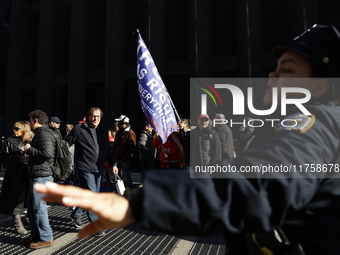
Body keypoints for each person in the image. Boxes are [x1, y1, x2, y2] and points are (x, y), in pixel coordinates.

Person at [34, 24, 340, 254]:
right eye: (274, 68)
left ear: (320, 87)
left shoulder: (316, 125)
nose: (272, 76)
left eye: (287, 70)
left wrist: (140, 203)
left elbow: (257, 182)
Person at [64, 107, 117, 237]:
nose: (95, 119)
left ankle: (76, 214)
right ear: (88, 117)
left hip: (99, 168)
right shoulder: (79, 129)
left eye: (98, 117)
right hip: (84, 168)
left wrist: (113, 163)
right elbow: (65, 144)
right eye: (93, 116)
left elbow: (107, 151)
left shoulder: (102, 131)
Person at [23, 110, 56, 249]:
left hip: (42, 176)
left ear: (35, 120)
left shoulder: (44, 134)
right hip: (38, 175)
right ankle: (36, 235)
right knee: (32, 207)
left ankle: (46, 237)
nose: (29, 123)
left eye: (30, 121)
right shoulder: (42, 133)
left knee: (39, 207)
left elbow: (48, 154)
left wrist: (30, 150)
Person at [0, 121, 33, 235]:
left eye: (17, 128)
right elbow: (3, 156)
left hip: (30, 174)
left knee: (31, 197)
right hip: (15, 174)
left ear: (24, 129)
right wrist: (18, 159)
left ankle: (28, 218)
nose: (14, 130)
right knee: (16, 199)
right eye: (13, 128)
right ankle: (17, 222)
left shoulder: (32, 140)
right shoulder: (10, 140)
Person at [113, 115, 136, 188]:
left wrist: (125, 157)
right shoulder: (119, 132)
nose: (118, 124)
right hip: (117, 157)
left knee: (126, 175)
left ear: (125, 124)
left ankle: (128, 189)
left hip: (124, 159)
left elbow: (132, 147)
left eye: (120, 123)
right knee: (117, 175)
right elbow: (116, 145)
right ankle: (119, 189)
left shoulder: (130, 133)